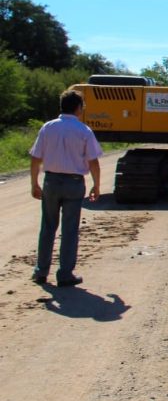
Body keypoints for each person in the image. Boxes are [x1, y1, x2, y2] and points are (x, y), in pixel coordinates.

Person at [29, 89, 103, 287]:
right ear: (79, 108)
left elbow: (36, 157)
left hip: (51, 182)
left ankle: (41, 272)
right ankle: (64, 274)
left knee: (47, 227)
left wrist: (34, 183)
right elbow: (93, 162)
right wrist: (96, 185)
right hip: (74, 183)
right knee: (70, 230)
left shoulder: (47, 128)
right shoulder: (84, 131)